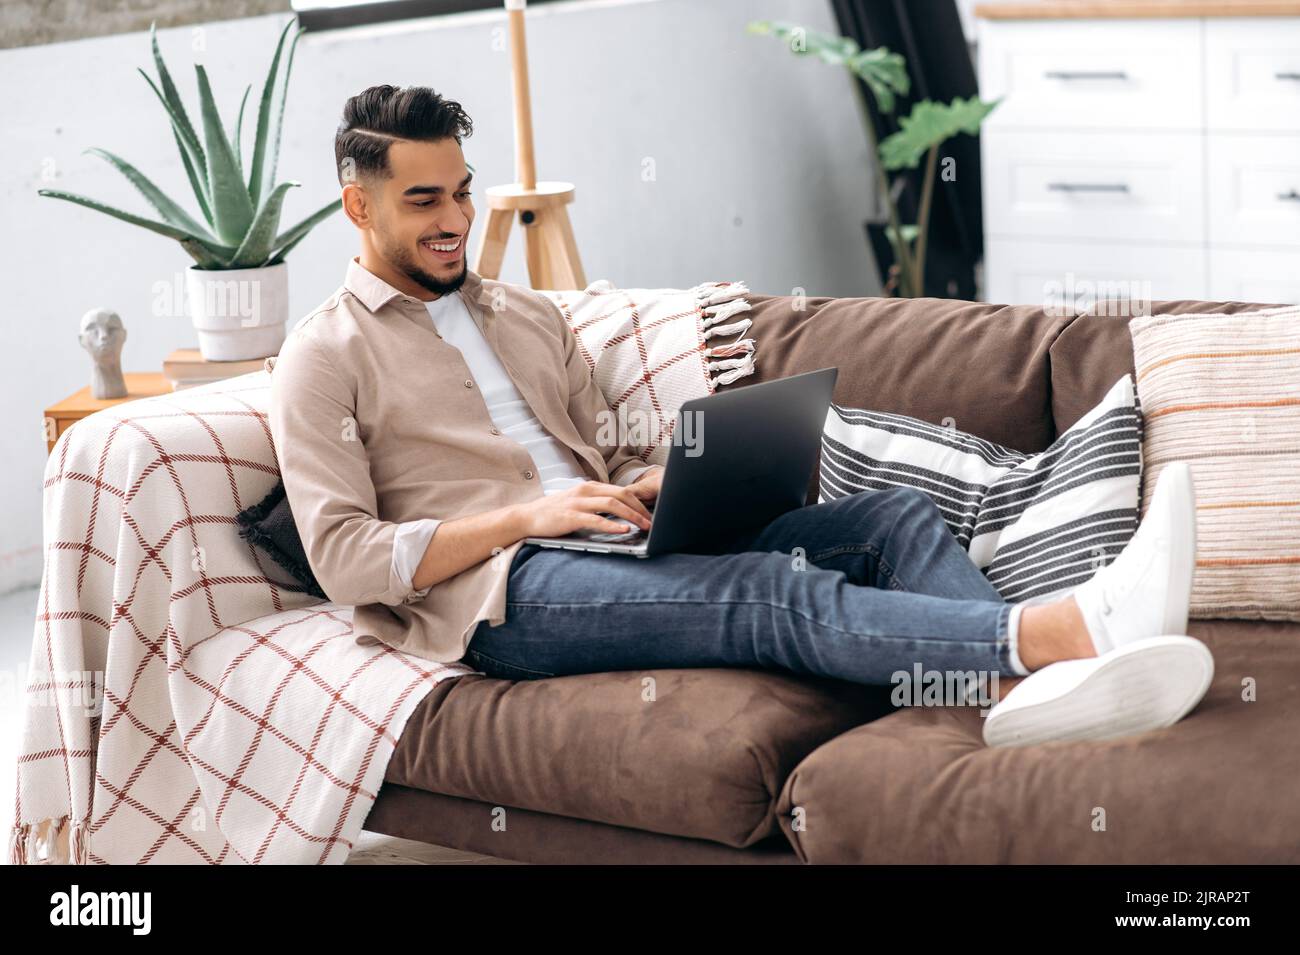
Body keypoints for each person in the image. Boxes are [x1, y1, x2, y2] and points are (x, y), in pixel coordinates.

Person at [268, 85, 1213, 751]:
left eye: (463, 190)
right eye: (423, 199)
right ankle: (1053, 641)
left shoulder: (527, 313)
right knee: (769, 591)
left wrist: (649, 480)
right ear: (359, 205)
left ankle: (1017, 694)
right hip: (504, 595)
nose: (454, 218)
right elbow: (345, 558)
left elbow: (598, 446)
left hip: (611, 536)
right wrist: (525, 518)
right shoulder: (323, 354)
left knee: (888, 519)